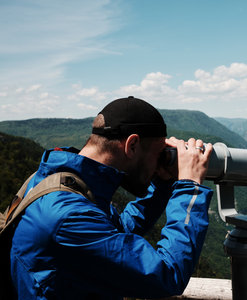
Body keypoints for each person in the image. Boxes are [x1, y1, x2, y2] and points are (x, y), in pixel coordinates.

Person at [9, 96, 214, 299]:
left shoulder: (56, 182)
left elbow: (112, 234)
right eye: (159, 154)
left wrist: (162, 187)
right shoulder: (67, 216)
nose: (159, 163)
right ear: (132, 145)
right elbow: (168, 275)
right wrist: (190, 186)